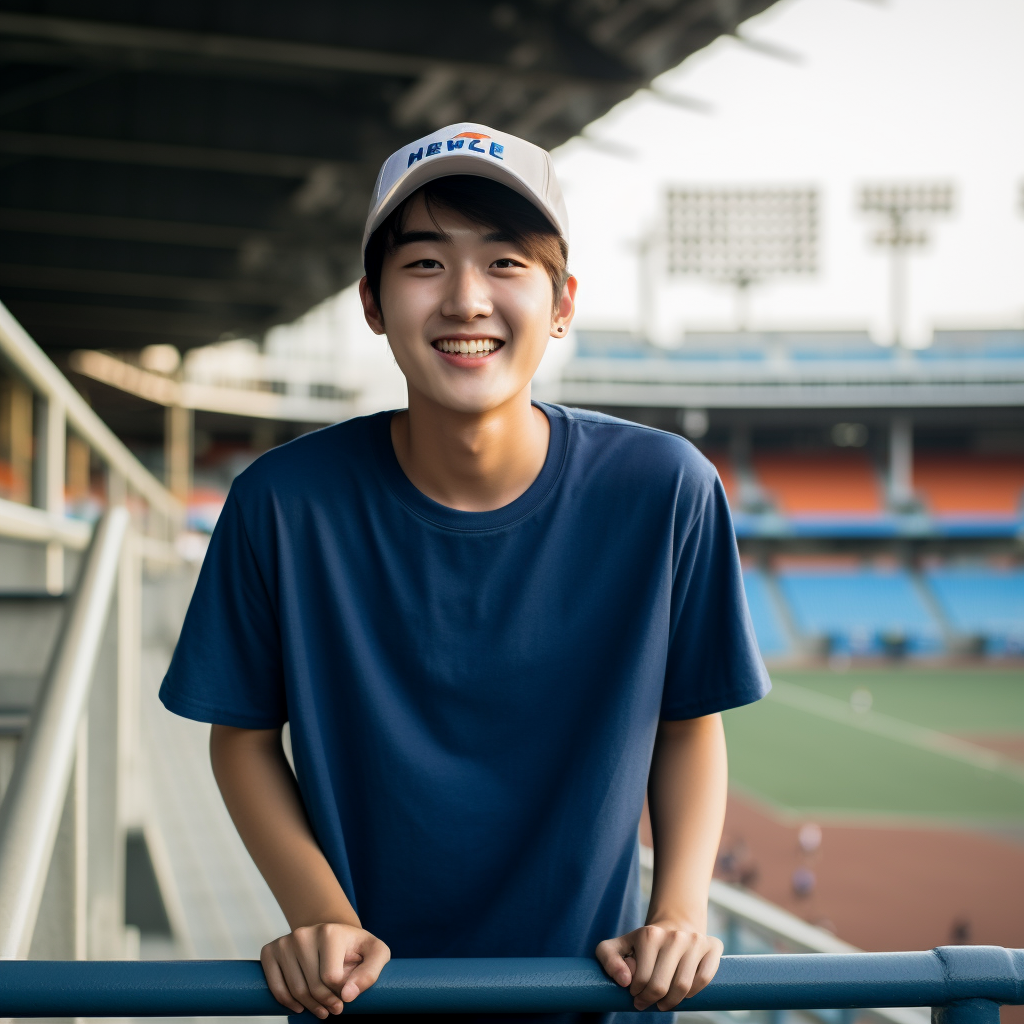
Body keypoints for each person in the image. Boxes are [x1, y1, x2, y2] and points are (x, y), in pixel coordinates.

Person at [159, 122, 770, 1023]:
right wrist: (319, 916)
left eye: (506, 264)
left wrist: (677, 911)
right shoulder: (280, 504)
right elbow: (242, 735)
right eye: (425, 265)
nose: (466, 300)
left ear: (563, 302)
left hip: (590, 998)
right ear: (371, 301)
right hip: (359, 1001)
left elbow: (689, 722)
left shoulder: (666, 489)